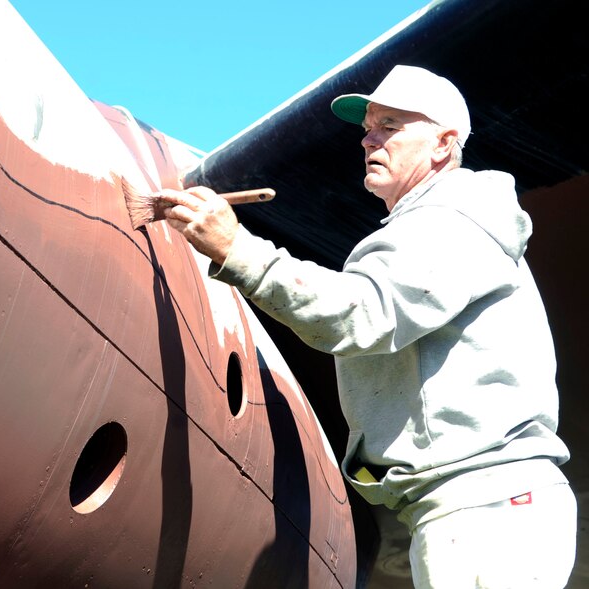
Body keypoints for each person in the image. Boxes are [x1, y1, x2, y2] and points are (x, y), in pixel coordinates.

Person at [160, 65, 576, 587]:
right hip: (468, 506)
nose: (367, 139)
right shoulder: (435, 223)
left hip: (484, 502)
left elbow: (361, 312)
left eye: (390, 125)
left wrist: (237, 250)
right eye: (367, 127)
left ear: (443, 145)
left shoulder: (453, 218)